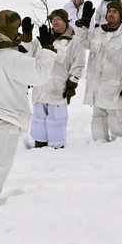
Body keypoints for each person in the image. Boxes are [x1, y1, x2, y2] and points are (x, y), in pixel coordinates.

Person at [0, 10, 56, 211]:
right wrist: (48, 50)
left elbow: (9, 58)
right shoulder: (10, 57)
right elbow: (39, 75)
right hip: (6, 118)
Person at [76, 0, 122, 141]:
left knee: (115, 117)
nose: (111, 14)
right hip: (96, 86)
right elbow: (82, 42)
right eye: (109, 11)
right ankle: (99, 143)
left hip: (115, 88)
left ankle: (119, 143)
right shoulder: (98, 32)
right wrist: (84, 26)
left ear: (121, 15)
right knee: (98, 117)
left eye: (115, 12)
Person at [25, 9, 86, 149]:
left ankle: (57, 147)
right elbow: (27, 52)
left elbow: (78, 65)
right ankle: (39, 143)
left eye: (58, 19)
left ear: (65, 21)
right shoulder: (42, 38)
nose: (55, 22)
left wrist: (72, 83)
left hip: (58, 88)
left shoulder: (74, 42)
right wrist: (26, 36)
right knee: (38, 117)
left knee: (56, 119)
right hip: (40, 86)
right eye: (53, 20)